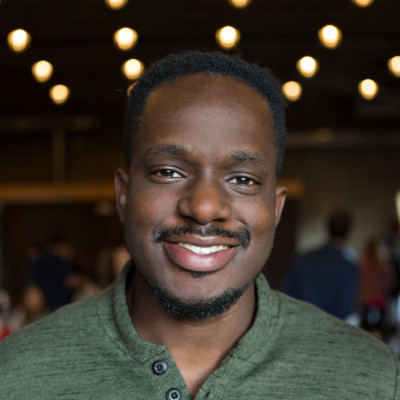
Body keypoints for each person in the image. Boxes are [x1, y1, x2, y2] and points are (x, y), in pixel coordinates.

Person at [0, 51, 398, 399]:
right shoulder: (15, 375)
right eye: (169, 172)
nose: (205, 207)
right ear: (124, 196)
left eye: (243, 179)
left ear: (275, 211)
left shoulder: (375, 379)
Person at [283, 210, 359, 320]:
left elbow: (285, 294)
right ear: (349, 233)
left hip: (300, 325)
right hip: (330, 331)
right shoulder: (348, 268)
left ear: (327, 230)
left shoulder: (303, 259)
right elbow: (345, 308)